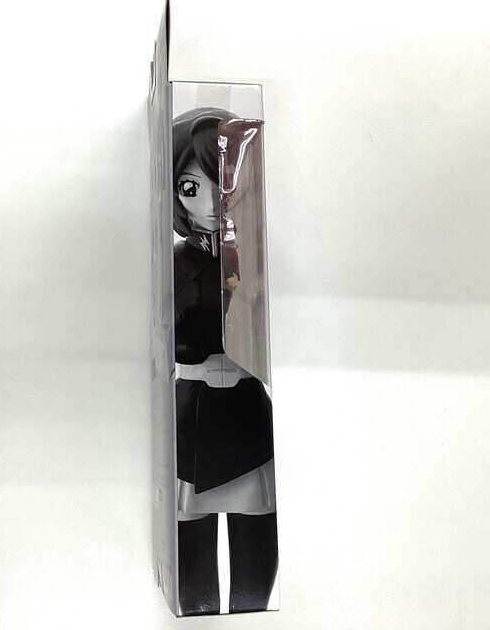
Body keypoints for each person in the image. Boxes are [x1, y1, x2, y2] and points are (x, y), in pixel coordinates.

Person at [172, 107, 278, 615]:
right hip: (193, 410)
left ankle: (251, 613)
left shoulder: (257, 258)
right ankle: (198, 615)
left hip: (245, 411)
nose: (211, 200)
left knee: (257, 529)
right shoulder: (173, 264)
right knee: (189, 538)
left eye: (224, 183)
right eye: (192, 187)